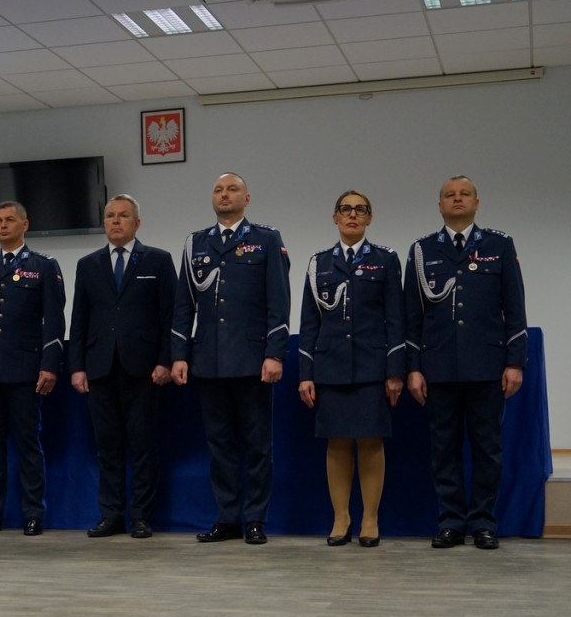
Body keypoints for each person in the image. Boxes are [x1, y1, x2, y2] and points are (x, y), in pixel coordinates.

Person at [405, 175, 527, 550]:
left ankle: (484, 523)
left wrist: (515, 362)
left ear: (476, 202)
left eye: (464, 194)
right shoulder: (422, 250)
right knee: (444, 449)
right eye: (450, 195)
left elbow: (514, 308)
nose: (457, 199)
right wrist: (413, 367)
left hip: (487, 364)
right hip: (438, 366)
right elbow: (412, 315)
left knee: (488, 448)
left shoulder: (499, 245)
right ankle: (452, 522)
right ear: (440, 205)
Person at [171, 172, 290, 545]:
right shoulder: (196, 243)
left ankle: (255, 519)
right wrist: (179, 354)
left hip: (253, 359)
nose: (224, 195)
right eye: (218, 190)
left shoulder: (266, 239)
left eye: (232, 189)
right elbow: (184, 304)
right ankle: (227, 519)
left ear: (246, 198)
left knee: (257, 446)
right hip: (209, 359)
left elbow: (279, 300)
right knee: (219, 446)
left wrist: (275, 353)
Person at [297, 191, 405, 548]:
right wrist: (306, 373)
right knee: (337, 442)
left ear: (370, 218)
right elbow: (309, 322)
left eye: (360, 210)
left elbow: (396, 318)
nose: (352, 215)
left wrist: (395, 370)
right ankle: (341, 518)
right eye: (345, 209)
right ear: (335, 217)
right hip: (330, 365)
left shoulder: (385, 260)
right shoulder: (318, 263)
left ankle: (370, 519)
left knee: (371, 442)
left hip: (373, 366)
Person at [69, 194, 176, 539]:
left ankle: (141, 516)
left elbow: (170, 317)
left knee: (144, 446)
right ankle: (111, 515)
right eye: (110, 216)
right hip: (100, 367)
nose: (115, 221)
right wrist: (77, 367)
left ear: (137, 223)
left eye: (123, 216)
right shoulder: (88, 264)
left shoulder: (158, 260)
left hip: (144, 369)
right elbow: (79, 319)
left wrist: (165, 360)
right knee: (108, 447)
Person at [0, 200, 66, 536]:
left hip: (24, 370)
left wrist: (50, 365)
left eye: (8, 220)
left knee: (28, 444)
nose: (2, 226)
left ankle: (33, 513)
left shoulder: (43, 265)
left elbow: (54, 319)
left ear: (24, 224)